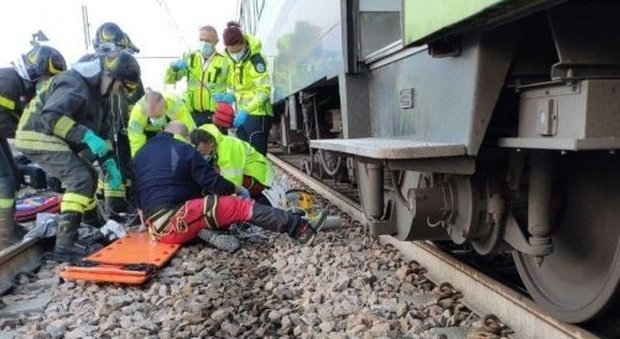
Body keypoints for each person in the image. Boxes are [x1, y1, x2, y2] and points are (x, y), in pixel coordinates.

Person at [15, 50, 141, 261]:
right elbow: (52, 118)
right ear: (108, 76)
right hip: (37, 135)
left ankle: (94, 225)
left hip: (53, 137)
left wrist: (109, 162)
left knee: (90, 176)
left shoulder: (101, 98)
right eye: (119, 86)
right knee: (79, 179)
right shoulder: (74, 83)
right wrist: (86, 136)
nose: (117, 92)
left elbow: (103, 134)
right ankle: (65, 245)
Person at [132, 122, 324, 248]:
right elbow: (215, 183)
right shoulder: (183, 150)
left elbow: (137, 200)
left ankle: (209, 234)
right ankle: (299, 227)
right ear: (183, 138)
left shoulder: (140, 154)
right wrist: (237, 190)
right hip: (176, 220)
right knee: (238, 207)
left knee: (208, 211)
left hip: (157, 228)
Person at [0, 45, 66, 248]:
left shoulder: (23, 87)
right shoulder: (8, 81)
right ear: (35, 72)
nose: (47, 84)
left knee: (12, 173)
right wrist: (29, 136)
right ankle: (4, 234)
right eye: (47, 78)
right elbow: (2, 120)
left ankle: (9, 226)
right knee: (5, 182)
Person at [82, 22, 145, 217]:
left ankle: (115, 203)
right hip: (97, 128)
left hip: (121, 128)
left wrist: (132, 124)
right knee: (108, 162)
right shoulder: (90, 66)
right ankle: (113, 206)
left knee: (119, 162)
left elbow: (137, 99)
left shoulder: (125, 68)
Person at [222, 21, 273, 155]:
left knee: (257, 157)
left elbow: (264, 91)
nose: (235, 54)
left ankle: (262, 177)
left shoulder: (255, 60)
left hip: (257, 114)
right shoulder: (232, 61)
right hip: (242, 115)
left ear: (244, 43)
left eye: (238, 50)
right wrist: (230, 95)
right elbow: (238, 87)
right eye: (231, 51)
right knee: (246, 156)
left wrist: (246, 110)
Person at [165, 25, 230, 126]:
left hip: (216, 114)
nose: (204, 43)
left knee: (215, 141)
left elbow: (235, 86)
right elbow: (170, 80)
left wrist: (227, 97)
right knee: (192, 141)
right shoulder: (189, 57)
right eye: (201, 40)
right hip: (192, 113)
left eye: (207, 41)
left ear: (216, 42)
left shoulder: (224, 61)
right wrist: (173, 68)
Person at [190, 122, 273, 200]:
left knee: (226, 187)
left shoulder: (228, 148)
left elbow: (232, 182)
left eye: (202, 151)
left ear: (210, 142)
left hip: (258, 176)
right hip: (248, 172)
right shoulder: (218, 145)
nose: (201, 154)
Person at [127, 91, 196, 157]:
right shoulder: (137, 114)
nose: (156, 120)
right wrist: (138, 159)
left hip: (171, 131)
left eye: (158, 116)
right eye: (152, 117)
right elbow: (136, 140)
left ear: (165, 106)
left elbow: (189, 129)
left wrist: (191, 150)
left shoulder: (175, 104)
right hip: (149, 135)